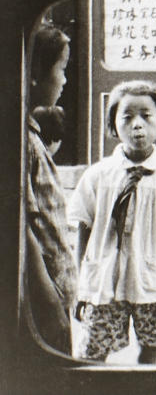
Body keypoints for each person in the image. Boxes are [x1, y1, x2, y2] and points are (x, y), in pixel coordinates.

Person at [68, 80, 156, 364]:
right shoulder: (97, 176)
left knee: (152, 347)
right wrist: (82, 285)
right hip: (103, 282)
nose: (137, 125)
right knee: (92, 352)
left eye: (146, 116)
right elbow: (84, 230)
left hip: (150, 283)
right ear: (113, 124)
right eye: (127, 117)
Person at [23, 25, 77, 355]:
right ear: (36, 73)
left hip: (56, 288)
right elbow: (24, 225)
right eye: (62, 68)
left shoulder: (31, 135)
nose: (65, 80)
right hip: (45, 295)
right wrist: (48, 294)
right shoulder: (25, 143)